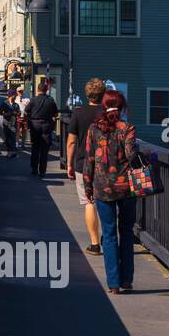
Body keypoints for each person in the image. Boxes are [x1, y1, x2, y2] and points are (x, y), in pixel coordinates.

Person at [83, 89, 139, 294]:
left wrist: (88, 186)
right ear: (122, 106)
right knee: (126, 232)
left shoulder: (94, 129)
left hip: (102, 187)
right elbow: (131, 155)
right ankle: (127, 280)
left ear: (103, 105)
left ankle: (113, 283)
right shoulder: (127, 128)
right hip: (126, 188)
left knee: (108, 234)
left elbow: (89, 159)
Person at [66, 78, 106, 255]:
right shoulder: (108, 113)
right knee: (106, 202)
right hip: (106, 164)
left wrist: (69, 164)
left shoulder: (78, 113)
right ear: (103, 94)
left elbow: (71, 141)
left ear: (87, 93)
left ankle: (95, 244)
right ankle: (108, 237)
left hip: (83, 164)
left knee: (89, 202)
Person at [24, 80, 59, 176]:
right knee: (44, 149)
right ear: (46, 90)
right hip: (46, 125)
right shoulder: (50, 100)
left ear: (38, 90)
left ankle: (34, 169)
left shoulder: (33, 100)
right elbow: (55, 113)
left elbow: (26, 111)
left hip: (35, 124)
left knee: (35, 147)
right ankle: (42, 171)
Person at [0, 93, 19, 157]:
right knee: (7, 137)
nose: (14, 97)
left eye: (14, 95)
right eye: (13, 95)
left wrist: (17, 113)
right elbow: (1, 112)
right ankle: (9, 151)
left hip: (13, 123)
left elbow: (18, 112)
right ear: (10, 96)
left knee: (13, 137)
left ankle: (13, 152)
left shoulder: (16, 105)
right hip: (6, 123)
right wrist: (9, 113)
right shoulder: (4, 103)